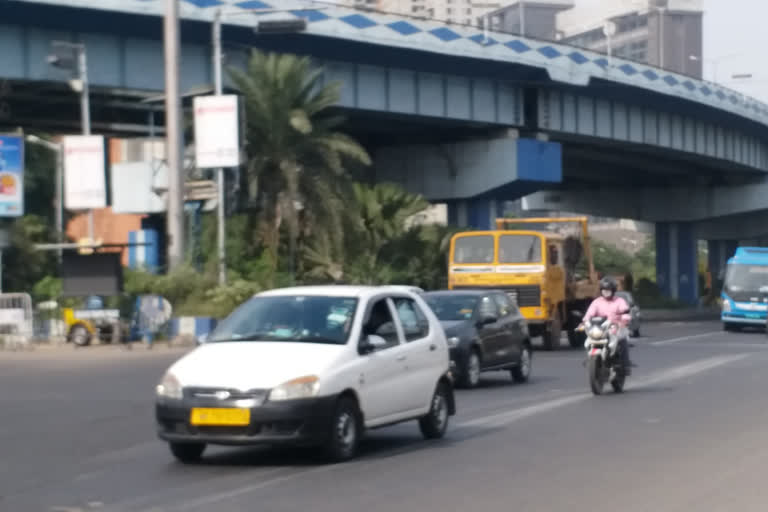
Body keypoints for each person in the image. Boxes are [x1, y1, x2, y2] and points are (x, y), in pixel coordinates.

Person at [583, 276, 634, 375]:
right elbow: (589, 314)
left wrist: (624, 320)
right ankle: (591, 361)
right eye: (604, 290)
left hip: (617, 327)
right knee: (589, 340)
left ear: (613, 291)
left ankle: (625, 365)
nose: (606, 292)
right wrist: (585, 322)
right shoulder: (596, 302)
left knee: (623, 340)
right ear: (601, 291)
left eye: (608, 290)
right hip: (601, 327)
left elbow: (625, 312)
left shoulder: (619, 301)